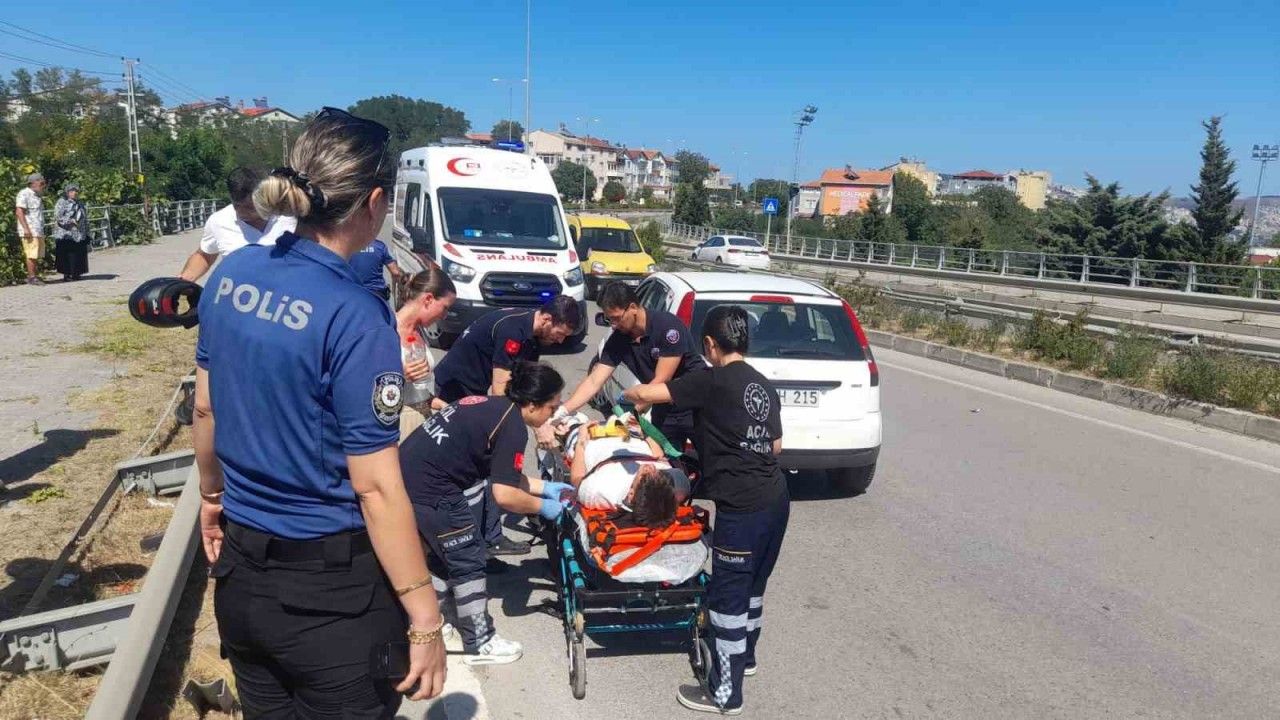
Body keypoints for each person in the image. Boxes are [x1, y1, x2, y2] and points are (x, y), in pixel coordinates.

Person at [193, 107, 446, 718]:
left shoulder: (233, 272)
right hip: (331, 601)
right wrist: (425, 617)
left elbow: (205, 407)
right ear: (375, 201)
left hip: (241, 580)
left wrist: (211, 496)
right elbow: (376, 488)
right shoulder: (356, 315)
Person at [624, 305, 789, 716]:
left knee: (727, 598)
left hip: (741, 506)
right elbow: (775, 447)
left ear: (711, 344)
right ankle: (745, 659)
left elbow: (646, 394)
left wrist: (628, 396)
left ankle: (725, 693)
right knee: (753, 587)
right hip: (776, 500)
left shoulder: (710, 381)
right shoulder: (763, 385)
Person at [399, 361, 574, 665]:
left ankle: (437, 622)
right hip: (434, 490)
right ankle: (480, 643)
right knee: (468, 559)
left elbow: (504, 475)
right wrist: (546, 508)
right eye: (552, 407)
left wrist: (546, 488)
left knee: (442, 557)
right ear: (533, 404)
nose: (554, 414)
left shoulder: (492, 405)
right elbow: (504, 495)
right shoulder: (513, 427)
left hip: (410, 476)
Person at [431, 295, 582, 558]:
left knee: (489, 466)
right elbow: (502, 392)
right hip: (455, 390)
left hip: (473, 391)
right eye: (560, 334)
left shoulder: (532, 334)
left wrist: (548, 419)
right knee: (487, 464)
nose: (560, 341)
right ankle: (483, 539)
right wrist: (536, 428)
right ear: (547, 319)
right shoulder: (513, 331)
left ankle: (485, 534)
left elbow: (530, 386)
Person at [559, 281, 706, 451]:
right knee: (661, 458)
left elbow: (662, 379)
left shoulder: (667, 327)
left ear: (633, 308)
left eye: (616, 318)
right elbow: (594, 381)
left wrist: (633, 412)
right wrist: (563, 410)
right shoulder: (619, 338)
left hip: (695, 404)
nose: (613, 325)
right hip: (663, 408)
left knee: (708, 458)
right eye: (609, 319)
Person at [559, 416, 689, 525]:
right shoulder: (663, 485)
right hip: (630, 434)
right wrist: (644, 432)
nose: (650, 467)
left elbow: (576, 479)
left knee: (566, 422)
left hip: (592, 438)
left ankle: (568, 423)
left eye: (645, 475)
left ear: (631, 494)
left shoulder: (601, 491)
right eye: (658, 471)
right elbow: (658, 455)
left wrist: (581, 441)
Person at [179, 167, 297, 281]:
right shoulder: (219, 221)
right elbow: (204, 256)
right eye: (236, 205)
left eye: (249, 207)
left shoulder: (290, 217)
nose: (241, 211)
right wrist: (182, 282)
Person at [395, 266, 456, 432]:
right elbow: (362, 382)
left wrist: (433, 401)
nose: (444, 315)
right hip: (393, 423)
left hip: (420, 419)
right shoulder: (385, 329)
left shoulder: (419, 331)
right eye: (445, 307)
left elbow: (415, 390)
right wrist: (398, 376)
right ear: (428, 299)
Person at [15, 172, 47, 285]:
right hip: (30, 229)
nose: (43, 185)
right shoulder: (24, 193)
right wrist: (26, 229)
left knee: (36, 254)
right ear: (33, 183)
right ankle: (32, 277)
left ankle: (34, 275)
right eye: (41, 183)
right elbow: (19, 212)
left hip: (37, 229)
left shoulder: (37, 195)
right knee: (31, 253)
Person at [53, 183, 89, 282]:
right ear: (67, 192)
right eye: (72, 191)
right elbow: (58, 216)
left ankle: (77, 273)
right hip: (66, 233)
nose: (74, 193)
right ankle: (67, 274)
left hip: (79, 233)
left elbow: (85, 218)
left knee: (78, 254)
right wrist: (70, 221)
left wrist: (87, 232)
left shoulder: (80, 203)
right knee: (67, 254)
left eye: (76, 191)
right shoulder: (62, 202)